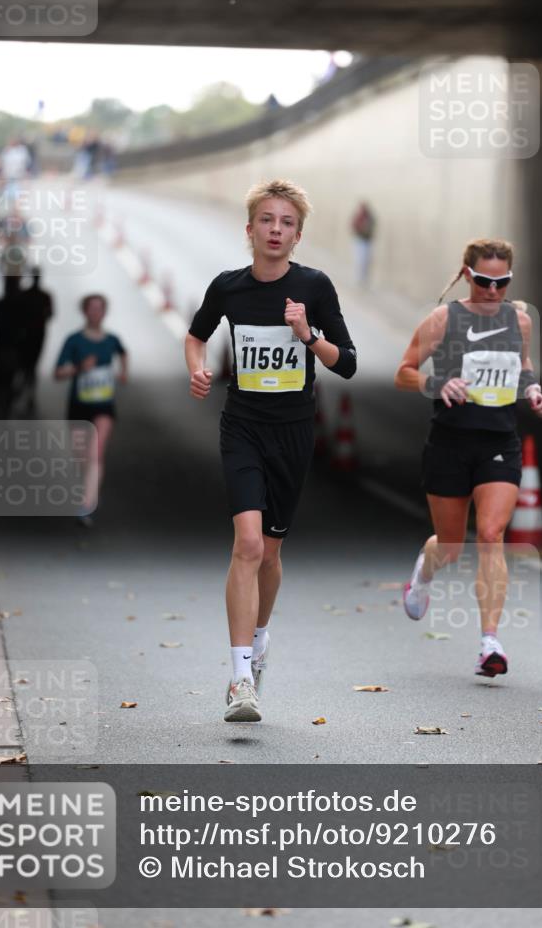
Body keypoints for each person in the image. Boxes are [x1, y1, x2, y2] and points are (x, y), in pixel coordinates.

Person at [185, 178, 357, 722]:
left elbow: (345, 361)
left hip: (293, 431)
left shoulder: (315, 286)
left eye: (286, 223)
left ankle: (259, 642)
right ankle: (240, 679)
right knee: (249, 545)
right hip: (242, 426)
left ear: (298, 234)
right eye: (267, 220)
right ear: (250, 229)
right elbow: (196, 334)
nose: (275, 230)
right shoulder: (228, 287)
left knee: (273, 554)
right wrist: (197, 367)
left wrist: (308, 334)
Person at [394, 238, 542, 678]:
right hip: (449, 441)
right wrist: (436, 385)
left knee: (491, 532)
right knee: (450, 545)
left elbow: (522, 367)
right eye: (484, 280)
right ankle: (424, 573)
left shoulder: (518, 321)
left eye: (502, 282)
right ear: (467, 275)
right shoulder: (443, 319)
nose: (493, 290)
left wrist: (533, 391)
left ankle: (489, 642)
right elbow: (403, 371)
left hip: (499, 440)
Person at [54, 295, 128, 526]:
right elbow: (57, 373)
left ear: (105, 312)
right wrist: (78, 368)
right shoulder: (74, 340)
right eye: (92, 308)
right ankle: (90, 487)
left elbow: (123, 353)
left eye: (100, 309)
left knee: (96, 452)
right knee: (81, 456)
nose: (96, 312)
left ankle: (88, 503)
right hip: (79, 405)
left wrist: (124, 372)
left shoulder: (112, 340)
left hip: (104, 406)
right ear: (84, 311)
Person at [0, 277, 26, 417]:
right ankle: (3, 407)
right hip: (10, 346)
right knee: (5, 378)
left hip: (7, 346)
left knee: (2, 379)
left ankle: (1, 407)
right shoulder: (18, 305)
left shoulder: (0, 304)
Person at [18, 267, 54, 413]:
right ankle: (27, 393)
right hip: (36, 334)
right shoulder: (44, 296)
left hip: (28, 334)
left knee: (27, 365)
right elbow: (50, 314)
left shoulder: (25, 295)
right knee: (31, 365)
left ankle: (24, 391)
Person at [351, 202, 376, 287]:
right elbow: (354, 226)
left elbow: (372, 228)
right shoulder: (358, 217)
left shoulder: (370, 217)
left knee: (366, 262)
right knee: (359, 261)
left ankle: (365, 280)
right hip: (359, 241)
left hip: (367, 242)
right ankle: (359, 279)